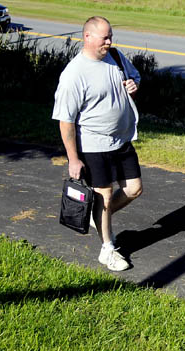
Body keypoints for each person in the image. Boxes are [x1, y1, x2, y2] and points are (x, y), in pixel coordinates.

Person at [52, 16, 142, 271]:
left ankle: (99, 216)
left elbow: (135, 78)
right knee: (103, 195)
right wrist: (73, 159)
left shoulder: (115, 56)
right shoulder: (74, 74)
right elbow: (65, 122)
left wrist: (134, 86)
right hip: (93, 145)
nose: (110, 42)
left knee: (134, 189)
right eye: (105, 38)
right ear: (88, 37)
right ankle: (108, 249)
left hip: (121, 139)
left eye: (111, 36)